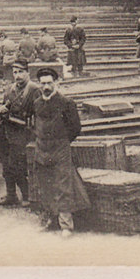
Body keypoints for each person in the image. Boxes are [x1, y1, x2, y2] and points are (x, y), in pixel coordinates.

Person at [32, 67, 90, 237]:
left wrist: (63, 142)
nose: (46, 86)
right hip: (42, 148)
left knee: (63, 184)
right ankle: (51, 219)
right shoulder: (36, 103)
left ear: (56, 83)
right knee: (45, 184)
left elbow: (75, 128)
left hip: (60, 148)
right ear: (39, 85)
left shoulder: (66, 103)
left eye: (49, 82)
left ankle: (66, 225)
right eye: (43, 83)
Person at [0, 58, 40, 206]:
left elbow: (38, 114)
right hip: (6, 131)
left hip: (22, 133)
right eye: (15, 72)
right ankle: (11, 195)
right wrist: (0, 110)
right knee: (6, 165)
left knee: (17, 165)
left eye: (21, 72)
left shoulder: (34, 90)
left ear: (27, 72)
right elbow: (2, 108)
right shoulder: (10, 89)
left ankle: (27, 195)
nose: (18, 75)